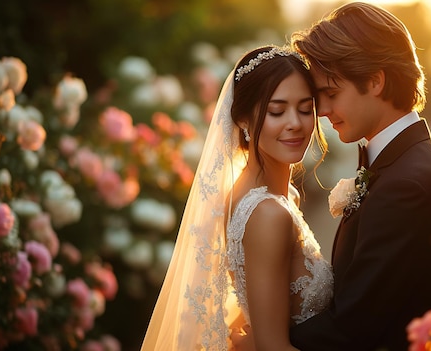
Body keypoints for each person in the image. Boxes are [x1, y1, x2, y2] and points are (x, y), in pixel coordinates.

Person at [233, 2, 431, 350]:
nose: (322, 112)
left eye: (330, 94)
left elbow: (355, 327)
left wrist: (264, 342)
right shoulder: (393, 164)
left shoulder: (408, 184)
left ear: (375, 80)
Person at [140, 45, 334, 351]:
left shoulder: (263, 197)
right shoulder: (268, 213)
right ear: (243, 120)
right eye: (276, 111)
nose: (295, 123)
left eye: (304, 108)